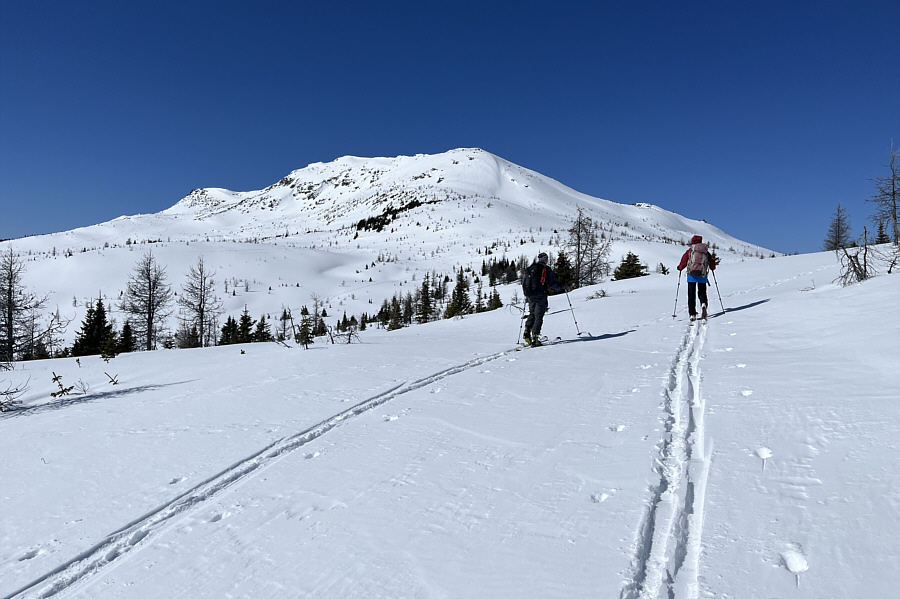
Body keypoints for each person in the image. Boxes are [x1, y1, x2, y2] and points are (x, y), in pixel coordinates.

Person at [522, 252, 565, 346]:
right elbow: (553, 284)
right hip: (541, 295)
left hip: (530, 295)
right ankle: (535, 338)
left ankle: (526, 333)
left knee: (532, 314)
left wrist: (527, 293)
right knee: (539, 316)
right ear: (545, 259)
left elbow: (524, 281)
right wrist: (562, 287)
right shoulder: (546, 269)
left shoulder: (530, 268)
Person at [677, 235, 716, 321]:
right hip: (702, 275)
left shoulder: (690, 251)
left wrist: (679, 267)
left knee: (691, 294)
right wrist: (712, 268)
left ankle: (692, 314)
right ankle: (703, 304)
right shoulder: (705, 251)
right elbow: (712, 263)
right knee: (702, 292)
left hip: (691, 275)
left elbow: (684, 261)